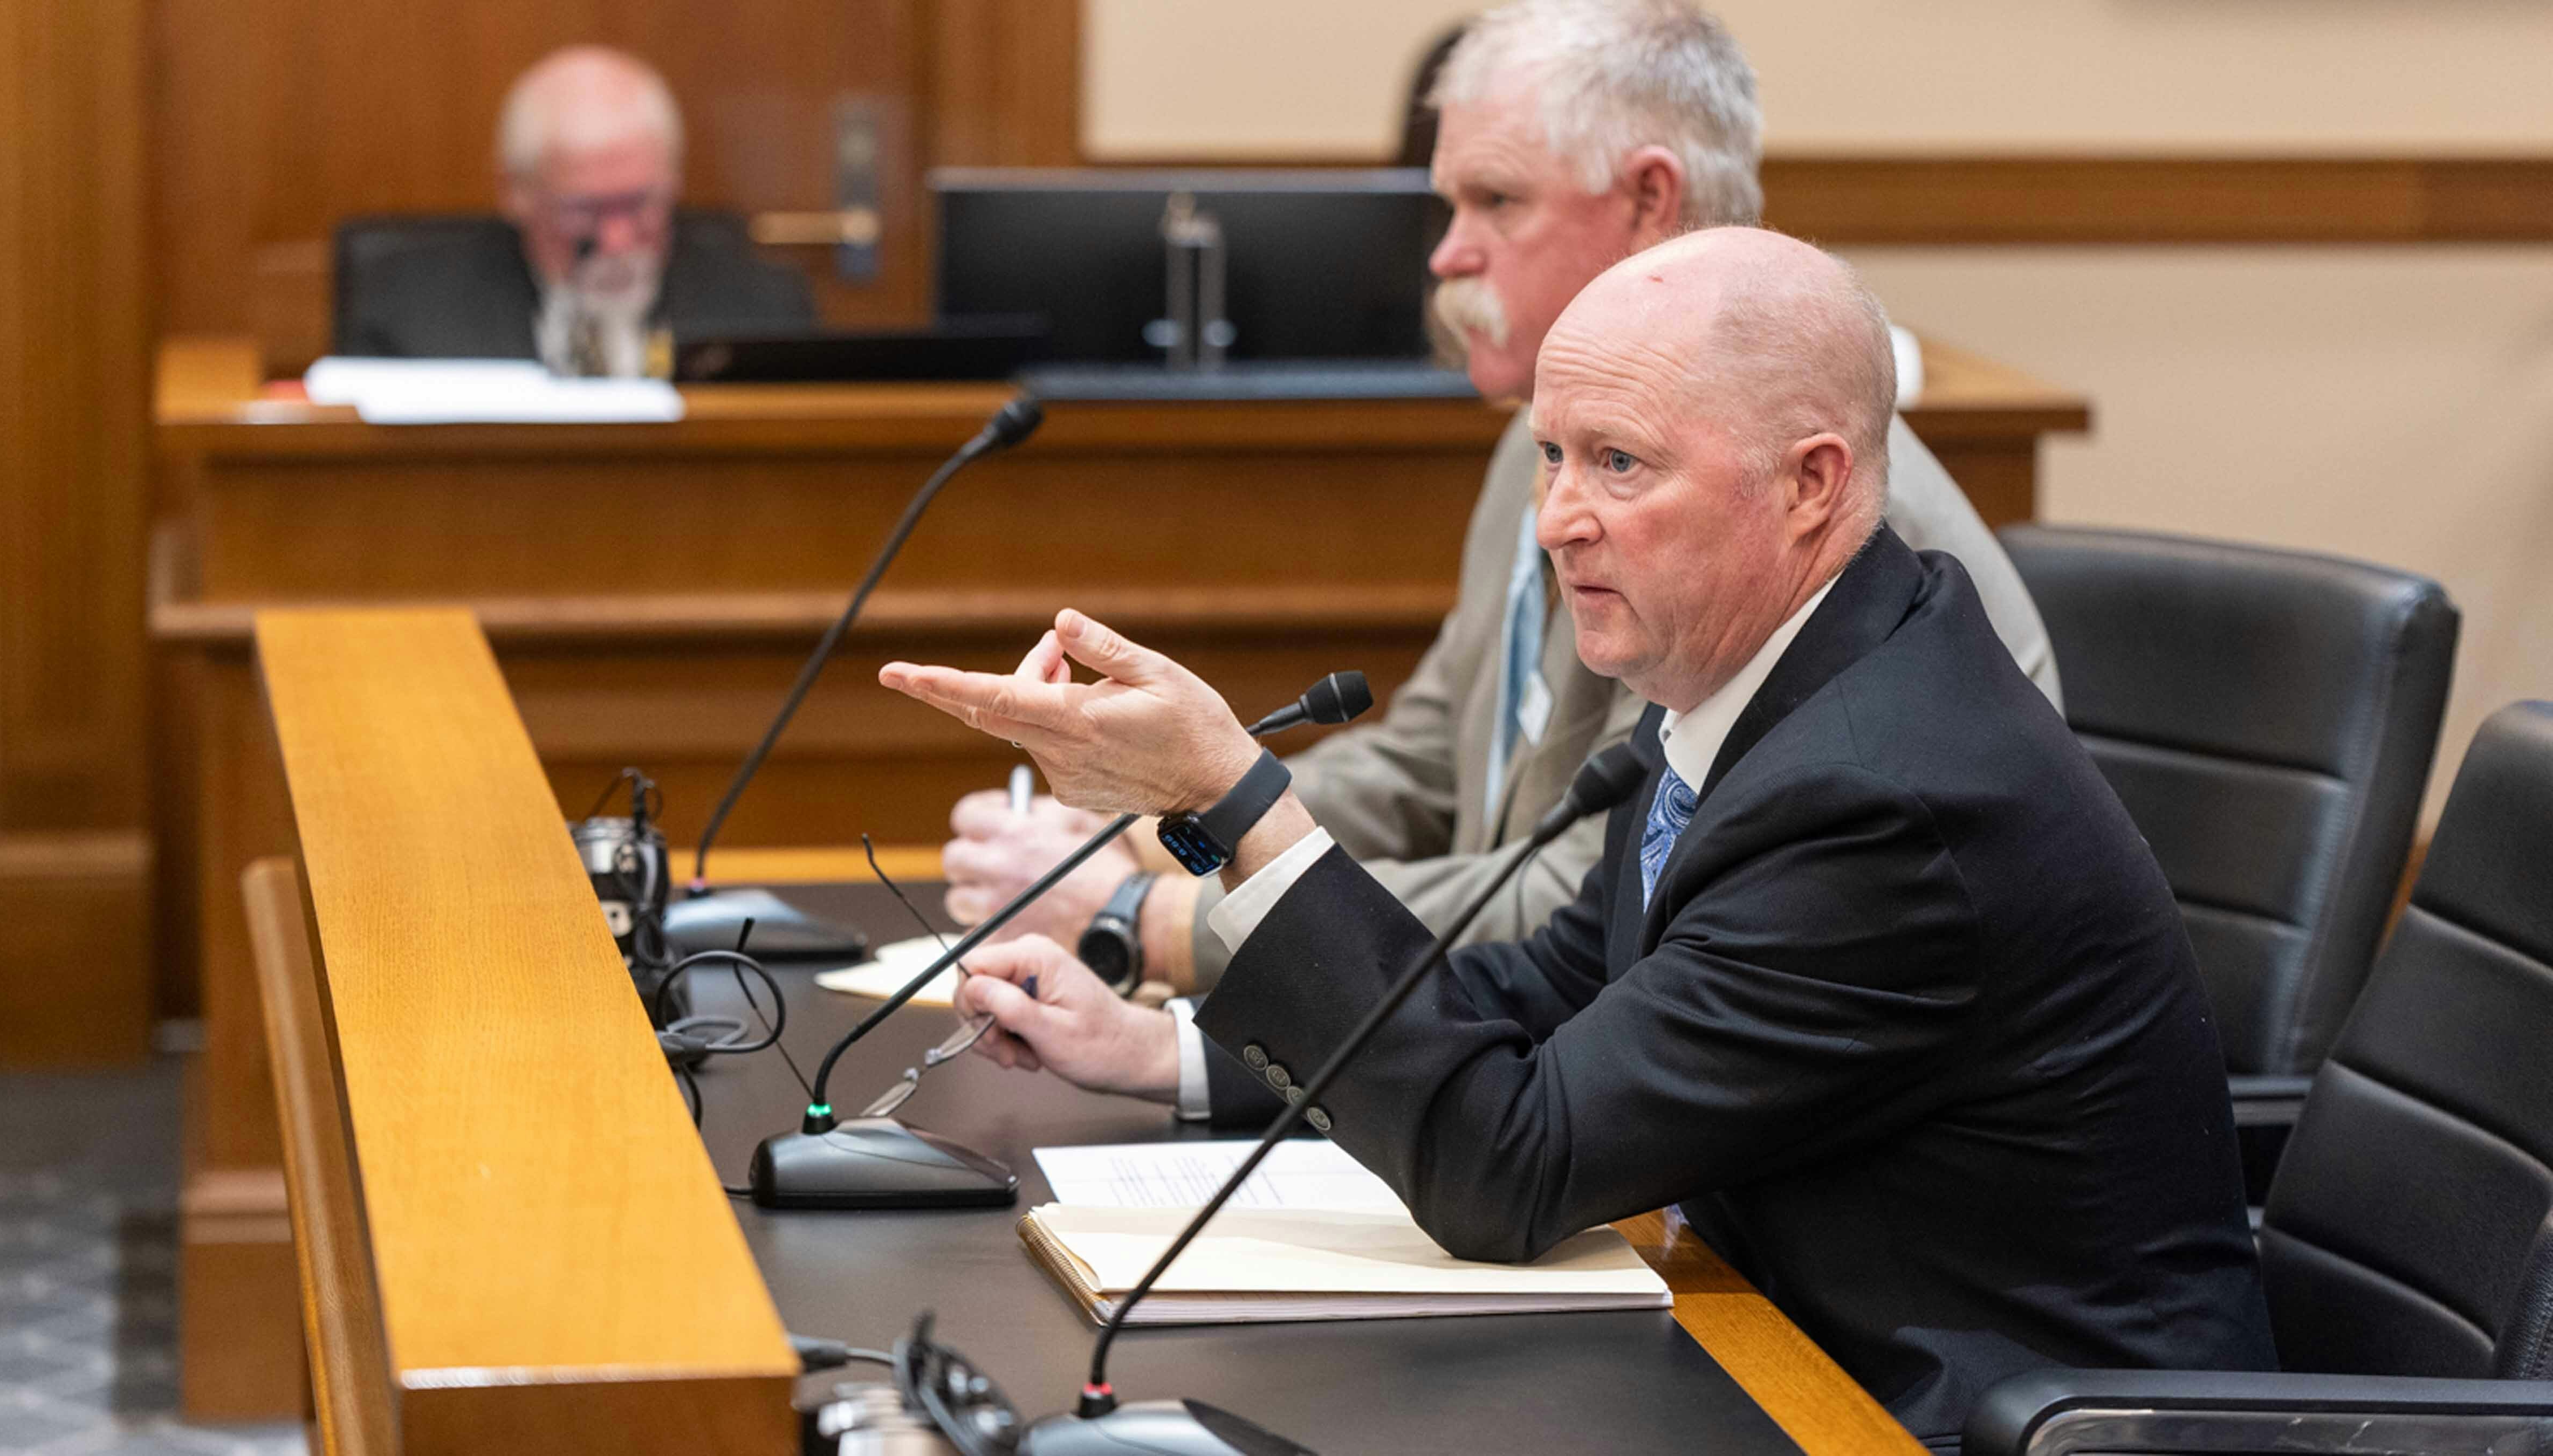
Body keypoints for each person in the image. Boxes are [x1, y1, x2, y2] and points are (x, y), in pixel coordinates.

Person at [878, 228, 2275, 1446]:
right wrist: (1163, 1052)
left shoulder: (1881, 798)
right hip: (1785, 1350)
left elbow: (1511, 1164)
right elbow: (1547, 998)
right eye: (1551, 455)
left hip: (1951, 1418)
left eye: (1620, 462)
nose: (1558, 520)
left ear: (1813, 482)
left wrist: (1242, 807)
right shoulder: (1777, 683)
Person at [935, 0, 2061, 1020]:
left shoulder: (1814, 518)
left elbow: (1601, 896)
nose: (1446, 253)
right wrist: (1147, 834)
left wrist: (1169, 918)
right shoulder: (1544, 441)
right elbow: (1434, 758)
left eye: (1497, 201)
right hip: (1534, 1054)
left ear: (1649, 203)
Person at [337, 45, 814, 374]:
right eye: (585, 210)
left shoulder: (768, 311)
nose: (618, 240)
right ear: (514, 192)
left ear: (674, 181)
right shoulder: (408, 319)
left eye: (640, 203)